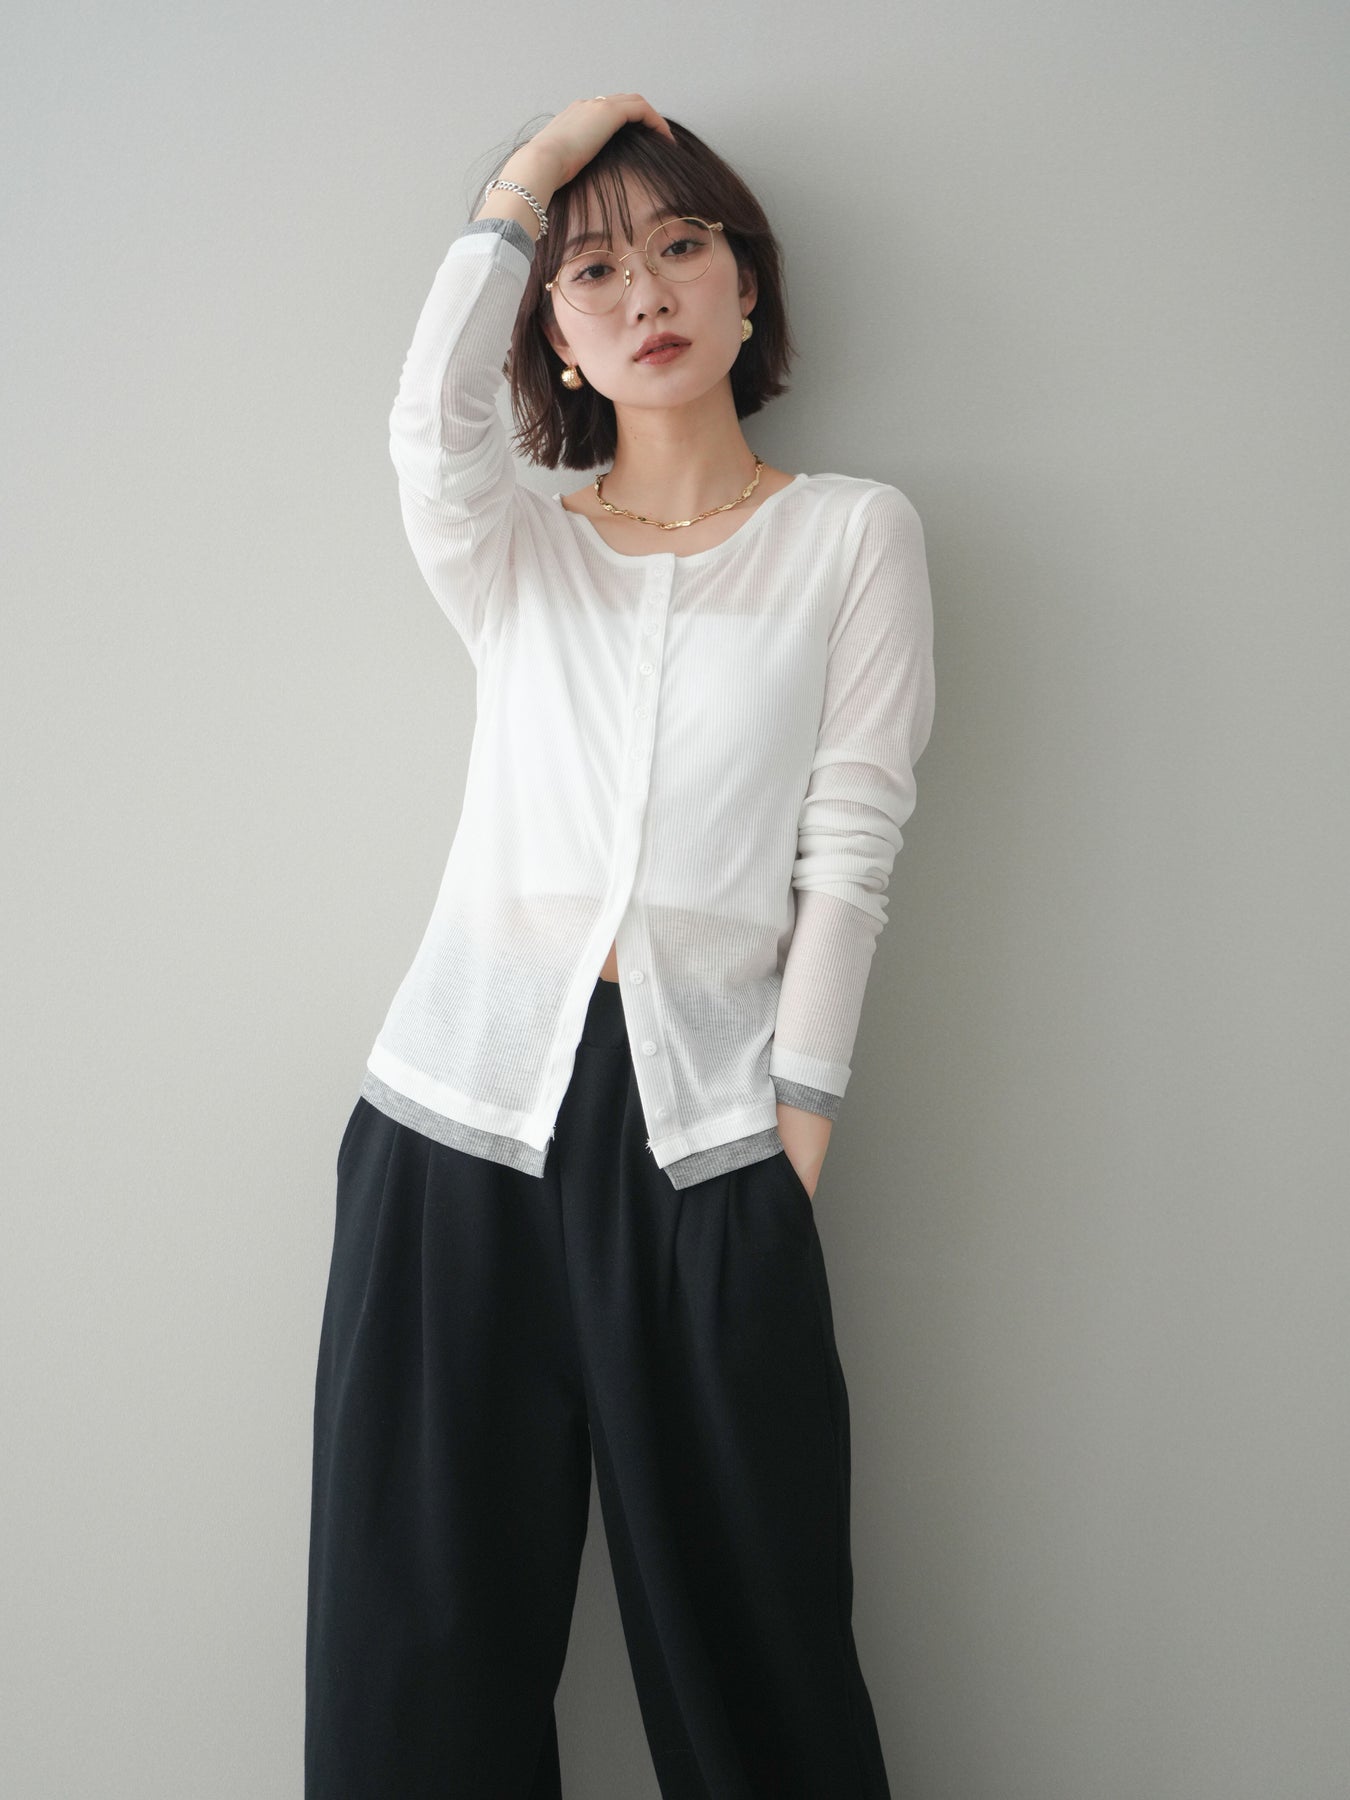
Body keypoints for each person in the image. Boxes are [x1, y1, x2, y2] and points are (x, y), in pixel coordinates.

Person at [305, 92, 936, 1799]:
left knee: (760, 1667)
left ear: (745, 286)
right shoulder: (514, 550)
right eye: (591, 272)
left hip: (708, 1139)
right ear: (557, 339)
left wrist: (794, 1134)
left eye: (679, 245)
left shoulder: (851, 536)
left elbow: (849, 849)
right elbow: (425, 421)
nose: (643, 290)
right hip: (454, 1124)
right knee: (416, 1664)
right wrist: (531, 177)